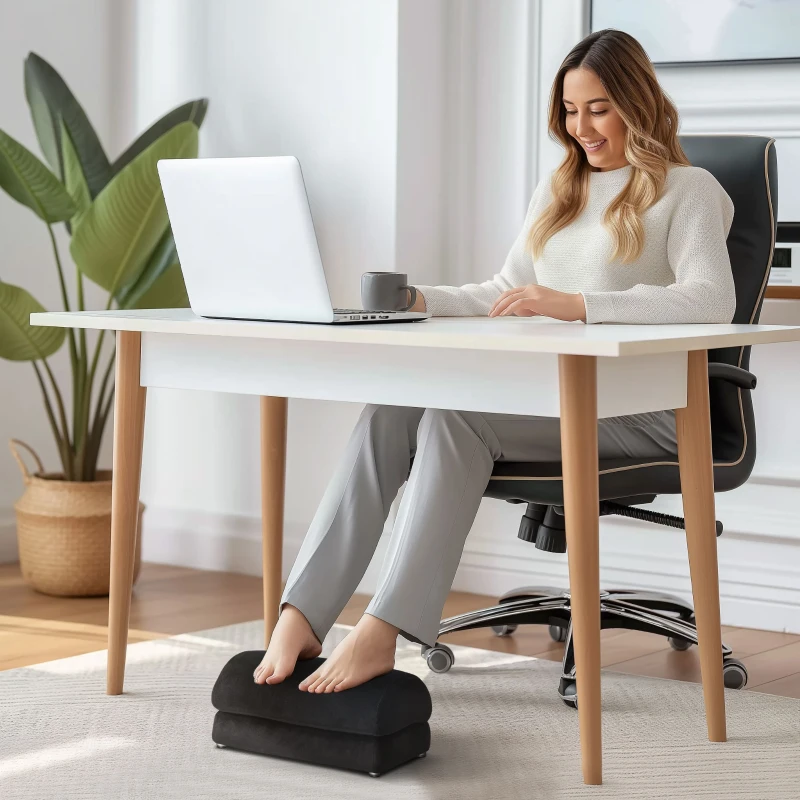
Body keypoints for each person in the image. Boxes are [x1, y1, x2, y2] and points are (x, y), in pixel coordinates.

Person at [253, 28, 736, 693]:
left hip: (644, 410)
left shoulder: (688, 189)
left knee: (457, 418)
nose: (582, 127)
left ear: (637, 103)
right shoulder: (560, 188)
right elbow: (506, 292)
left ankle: (382, 631)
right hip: (551, 398)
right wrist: (422, 300)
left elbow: (711, 297)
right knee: (391, 409)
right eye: (571, 110)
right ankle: (303, 614)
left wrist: (577, 305)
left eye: (599, 108)